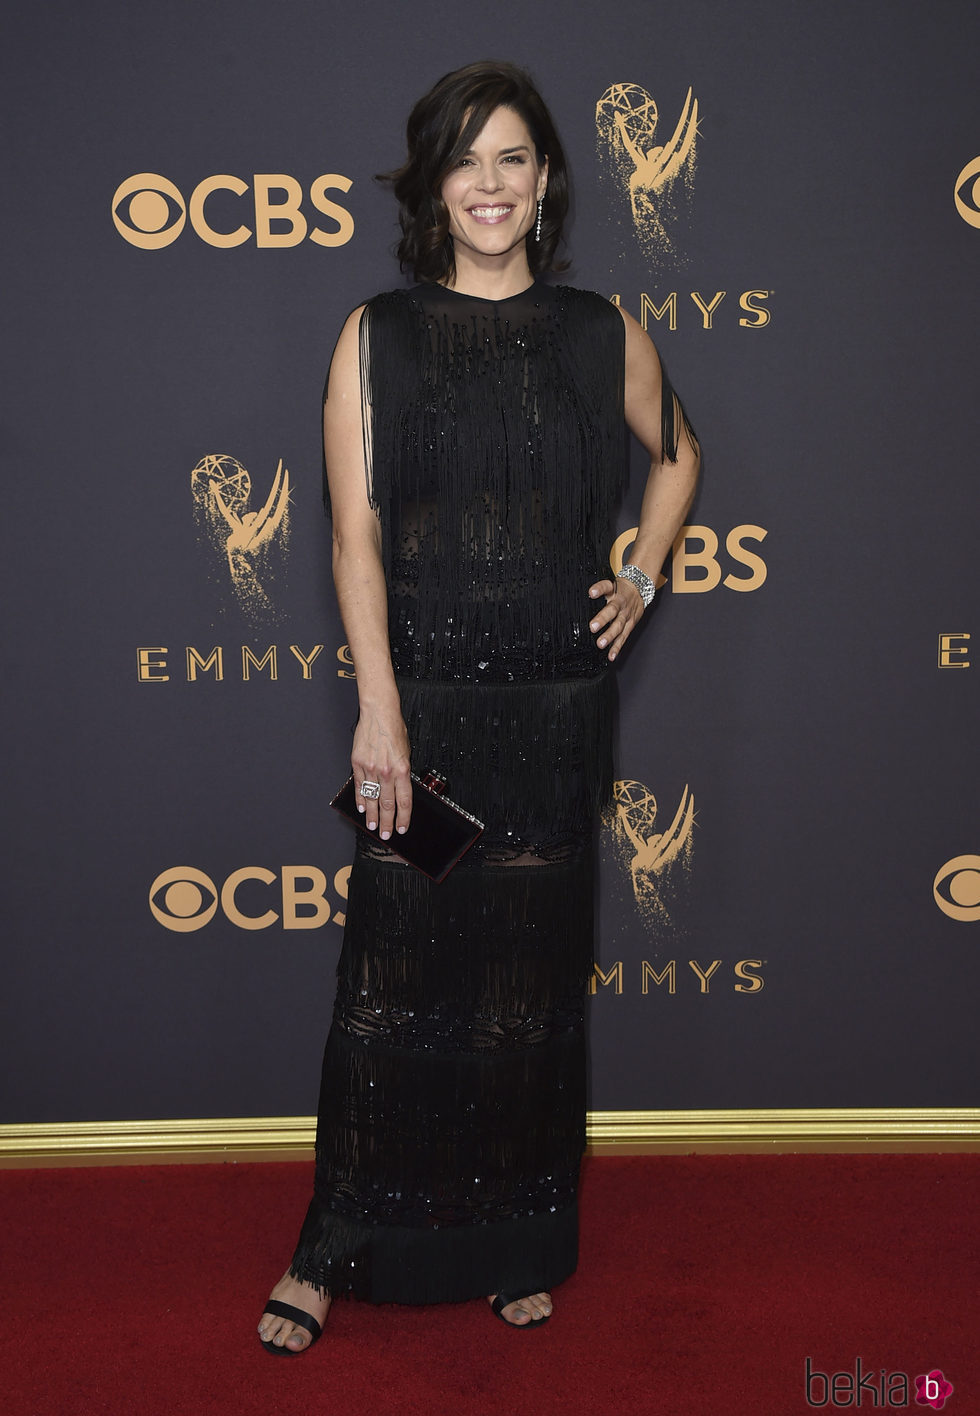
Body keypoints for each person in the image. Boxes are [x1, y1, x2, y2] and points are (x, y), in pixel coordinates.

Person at [257, 59, 699, 1351]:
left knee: (526, 994)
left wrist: (644, 567)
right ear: (433, 185)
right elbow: (354, 542)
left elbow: (678, 455)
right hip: (431, 714)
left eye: (513, 158)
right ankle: (334, 1244)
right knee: (390, 996)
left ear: (548, 178)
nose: (491, 184)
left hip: (559, 714)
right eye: (466, 160)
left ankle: (512, 1233)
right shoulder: (375, 335)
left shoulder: (600, 331)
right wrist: (379, 716)